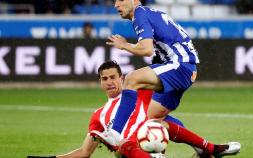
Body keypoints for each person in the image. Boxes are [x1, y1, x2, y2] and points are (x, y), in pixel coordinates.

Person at [93, 1, 241, 158]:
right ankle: (207, 150)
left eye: (121, 0)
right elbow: (162, 45)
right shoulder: (149, 13)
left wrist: (124, 45)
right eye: (115, 1)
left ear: (135, 1)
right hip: (186, 68)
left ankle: (115, 133)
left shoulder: (139, 14)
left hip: (180, 65)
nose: (116, 5)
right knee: (152, 120)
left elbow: (146, 49)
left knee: (130, 79)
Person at [27, 61, 240, 158]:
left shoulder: (140, 92)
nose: (109, 82)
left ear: (122, 78)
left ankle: (209, 148)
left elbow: (168, 107)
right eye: (104, 79)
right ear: (100, 83)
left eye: (113, 77)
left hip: (151, 141)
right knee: (124, 144)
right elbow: (84, 152)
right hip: (128, 152)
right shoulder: (98, 115)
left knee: (162, 123)